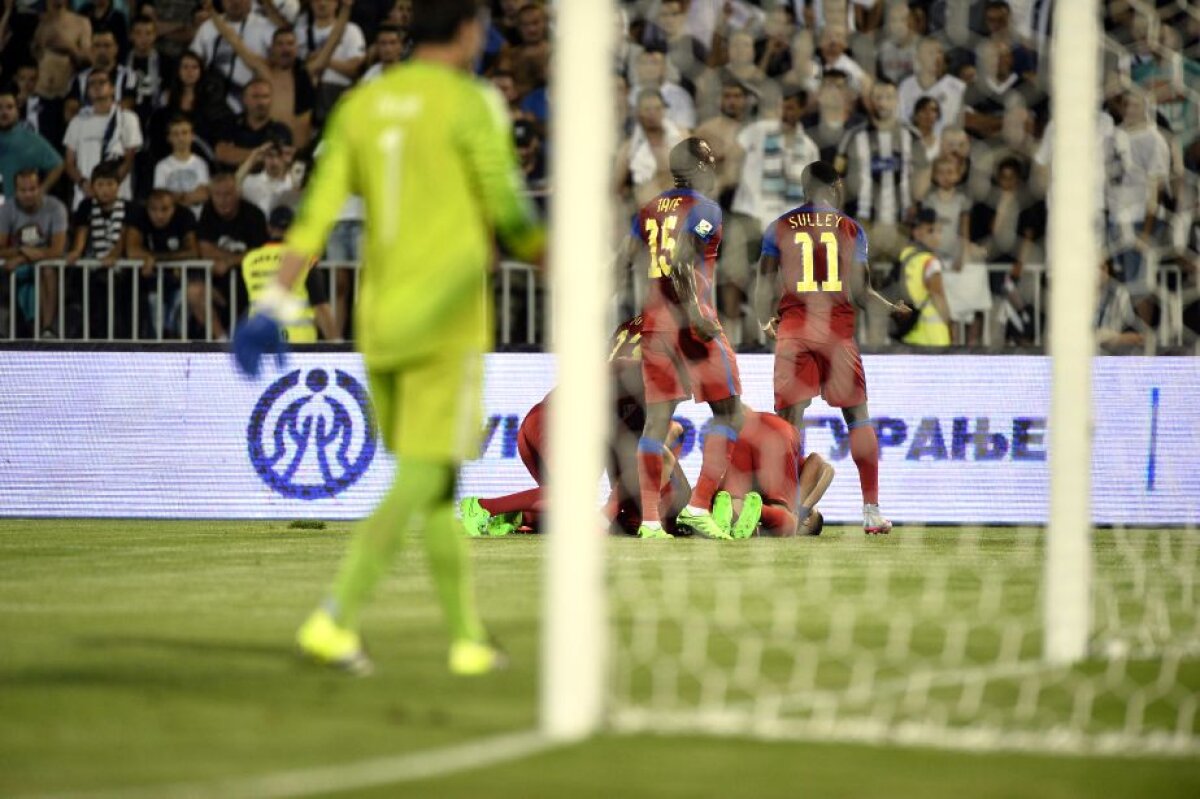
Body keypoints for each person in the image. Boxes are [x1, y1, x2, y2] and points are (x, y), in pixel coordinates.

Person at [232, 0, 543, 676]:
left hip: (379, 320)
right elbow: (515, 217)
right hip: (446, 320)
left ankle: (466, 638)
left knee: (437, 485)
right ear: (466, 33)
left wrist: (272, 302)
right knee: (426, 472)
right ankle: (334, 617)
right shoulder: (473, 104)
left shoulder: (362, 109)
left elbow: (312, 217)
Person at [753, 160, 911, 534]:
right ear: (836, 186)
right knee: (858, 419)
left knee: (790, 424)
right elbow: (861, 291)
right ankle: (871, 511)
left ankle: (783, 508)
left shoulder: (780, 227)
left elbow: (763, 278)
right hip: (837, 335)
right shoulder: (850, 228)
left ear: (804, 190)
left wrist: (764, 318)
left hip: (795, 331)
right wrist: (891, 309)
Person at [458, 317, 691, 538]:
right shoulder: (647, 378)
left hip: (541, 424)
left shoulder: (623, 366)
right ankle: (481, 507)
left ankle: (519, 515)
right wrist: (609, 515)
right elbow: (642, 455)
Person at [617, 136, 743, 541]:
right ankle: (698, 505)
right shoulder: (706, 209)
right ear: (700, 169)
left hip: (655, 325)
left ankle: (652, 522)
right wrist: (696, 314)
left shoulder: (648, 209)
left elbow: (621, 264)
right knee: (728, 412)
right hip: (693, 324)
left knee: (656, 423)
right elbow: (682, 262)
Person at [713, 405, 835, 539]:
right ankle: (760, 511)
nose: (805, 519)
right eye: (811, 514)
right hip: (778, 436)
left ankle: (708, 512)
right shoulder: (805, 473)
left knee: (733, 504)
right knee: (787, 524)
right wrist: (804, 509)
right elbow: (828, 470)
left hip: (748, 429)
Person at [239, 205, 335, 342]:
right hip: (299, 345)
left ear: (269, 228)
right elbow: (320, 305)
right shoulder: (302, 257)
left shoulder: (250, 260)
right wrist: (336, 343)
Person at [0, 168, 69, 338]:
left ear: (40, 187)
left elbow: (57, 250)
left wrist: (22, 257)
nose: (28, 194)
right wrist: (22, 250)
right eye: (23, 190)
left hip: (45, 265)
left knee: (46, 269)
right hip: (17, 266)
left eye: (32, 189)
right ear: (16, 191)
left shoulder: (56, 208)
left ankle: (48, 329)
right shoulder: (6, 210)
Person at [895, 207, 953, 347]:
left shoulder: (904, 256)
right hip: (934, 337)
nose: (938, 236)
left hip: (908, 333)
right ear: (917, 232)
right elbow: (938, 295)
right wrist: (950, 326)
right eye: (932, 231)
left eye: (939, 231)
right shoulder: (931, 262)